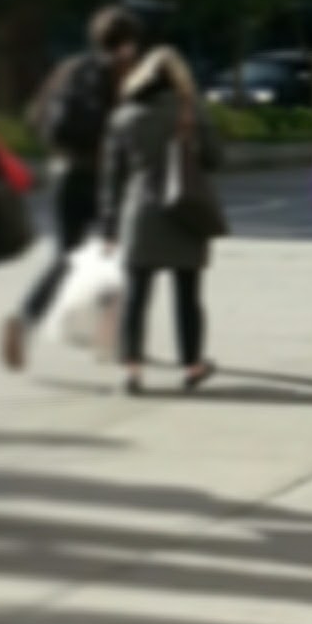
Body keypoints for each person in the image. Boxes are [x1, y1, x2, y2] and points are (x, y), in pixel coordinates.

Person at [2, 5, 145, 369]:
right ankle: (114, 339)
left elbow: (36, 116)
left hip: (65, 173)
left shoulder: (68, 69)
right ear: (128, 42)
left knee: (67, 256)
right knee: (118, 255)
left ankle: (25, 317)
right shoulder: (122, 73)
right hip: (103, 179)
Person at [100, 46, 225, 395]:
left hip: (139, 212)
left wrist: (109, 227)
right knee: (188, 294)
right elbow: (216, 159)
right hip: (186, 210)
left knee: (136, 295)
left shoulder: (125, 116)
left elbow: (112, 178)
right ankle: (192, 365)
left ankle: (132, 370)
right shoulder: (191, 111)